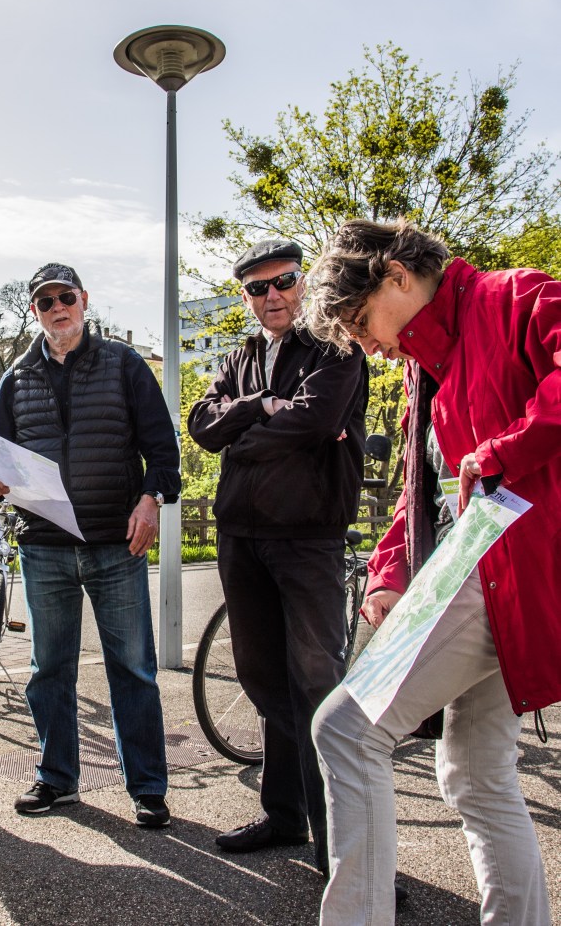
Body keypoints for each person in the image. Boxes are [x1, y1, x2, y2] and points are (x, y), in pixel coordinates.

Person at [305, 218, 559, 925]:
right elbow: (432, 488)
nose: (365, 345)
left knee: (346, 730)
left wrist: (505, 448)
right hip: (490, 565)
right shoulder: (429, 364)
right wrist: (389, 566)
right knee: (476, 774)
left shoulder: (518, 297)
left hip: (508, 562)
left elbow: (487, 467)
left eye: (360, 322)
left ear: (397, 275)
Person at [0, 262, 181, 827]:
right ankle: (57, 780)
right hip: (45, 547)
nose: (57, 307)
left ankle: (147, 788)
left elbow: (164, 451)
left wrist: (151, 498)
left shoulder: (125, 364)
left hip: (117, 543)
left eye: (65, 296)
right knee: (49, 670)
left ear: (84, 300)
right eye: (44, 301)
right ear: (35, 312)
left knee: (133, 669)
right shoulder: (16, 376)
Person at [187, 239, 368, 873]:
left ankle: (345, 851)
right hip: (241, 534)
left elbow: (315, 423)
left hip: (308, 536)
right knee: (264, 679)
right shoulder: (239, 357)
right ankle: (287, 817)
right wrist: (258, 408)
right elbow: (201, 426)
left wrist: (241, 440)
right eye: (257, 288)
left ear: (303, 282)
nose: (272, 296)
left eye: (283, 281)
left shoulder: (336, 347)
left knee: (318, 688)